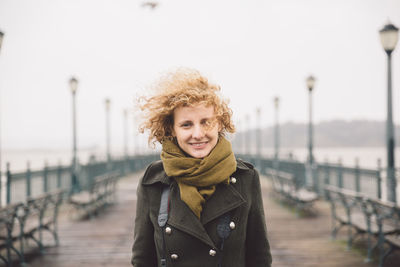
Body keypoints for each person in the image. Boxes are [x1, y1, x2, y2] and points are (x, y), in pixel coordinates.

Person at [131, 68, 272, 267]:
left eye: (206, 122)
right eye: (187, 125)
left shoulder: (245, 179)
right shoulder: (153, 183)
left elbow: (260, 258)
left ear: (220, 124)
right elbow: (142, 260)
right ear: (171, 129)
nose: (198, 134)